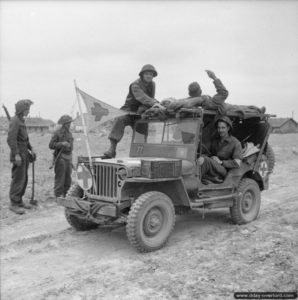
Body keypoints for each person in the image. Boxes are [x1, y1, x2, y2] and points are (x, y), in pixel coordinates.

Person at [103, 64, 163, 158]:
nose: (149, 76)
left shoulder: (152, 84)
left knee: (141, 136)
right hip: (129, 111)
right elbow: (142, 97)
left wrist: (155, 105)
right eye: (147, 74)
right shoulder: (135, 85)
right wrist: (155, 103)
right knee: (119, 119)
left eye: (151, 74)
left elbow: (150, 98)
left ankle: (140, 155)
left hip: (141, 112)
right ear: (142, 75)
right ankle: (112, 149)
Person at [7, 99, 36, 214]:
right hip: (18, 153)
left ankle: (19, 201)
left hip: (24, 153)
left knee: (24, 178)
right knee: (18, 178)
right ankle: (14, 203)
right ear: (21, 110)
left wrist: (31, 148)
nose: (28, 112)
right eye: (27, 109)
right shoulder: (15, 121)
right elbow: (11, 139)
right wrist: (16, 154)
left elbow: (25, 139)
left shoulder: (21, 121)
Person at [198, 116, 242, 184]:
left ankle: (195, 183)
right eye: (218, 128)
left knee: (205, 160)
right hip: (214, 167)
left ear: (228, 128)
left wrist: (221, 162)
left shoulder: (235, 143)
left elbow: (237, 163)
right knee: (199, 157)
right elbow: (209, 152)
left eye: (223, 128)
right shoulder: (215, 140)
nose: (220, 130)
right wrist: (211, 157)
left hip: (225, 171)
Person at [49, 115, 74, 198]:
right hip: (61, 159)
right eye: (67, 123)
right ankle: (58, 195)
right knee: (60, 178)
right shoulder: (57, 133)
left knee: (68, 179)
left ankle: (66, 195)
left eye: (70, 123)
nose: (69, 125)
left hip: (68, 158)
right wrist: (61, 144)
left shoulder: (70, 134)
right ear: (63, 124)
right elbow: (51, 145)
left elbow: (71, 147)